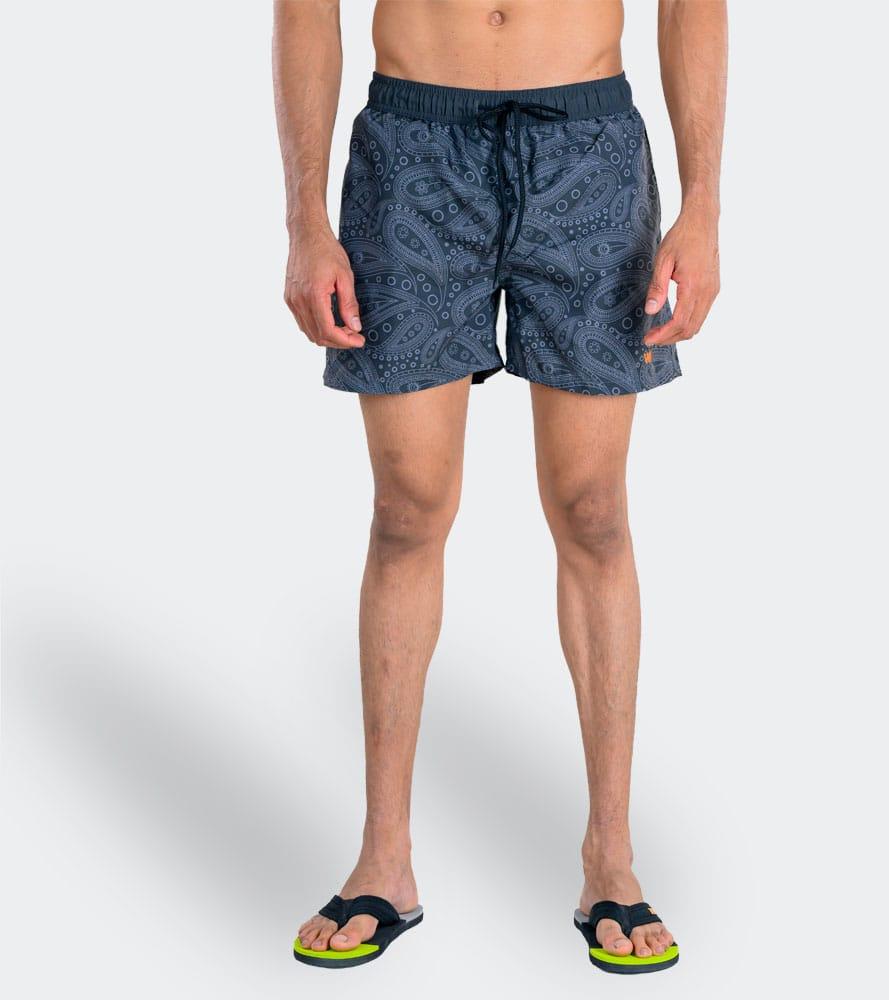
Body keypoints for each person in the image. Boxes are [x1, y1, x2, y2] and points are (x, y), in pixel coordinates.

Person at [273, 0, 726, 974]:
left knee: (593, 511)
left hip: (588, 147)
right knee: (406, 511)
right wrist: (305, 219)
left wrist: (704, 205)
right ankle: (384, 858)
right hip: (411, 150)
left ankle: (610, 856)